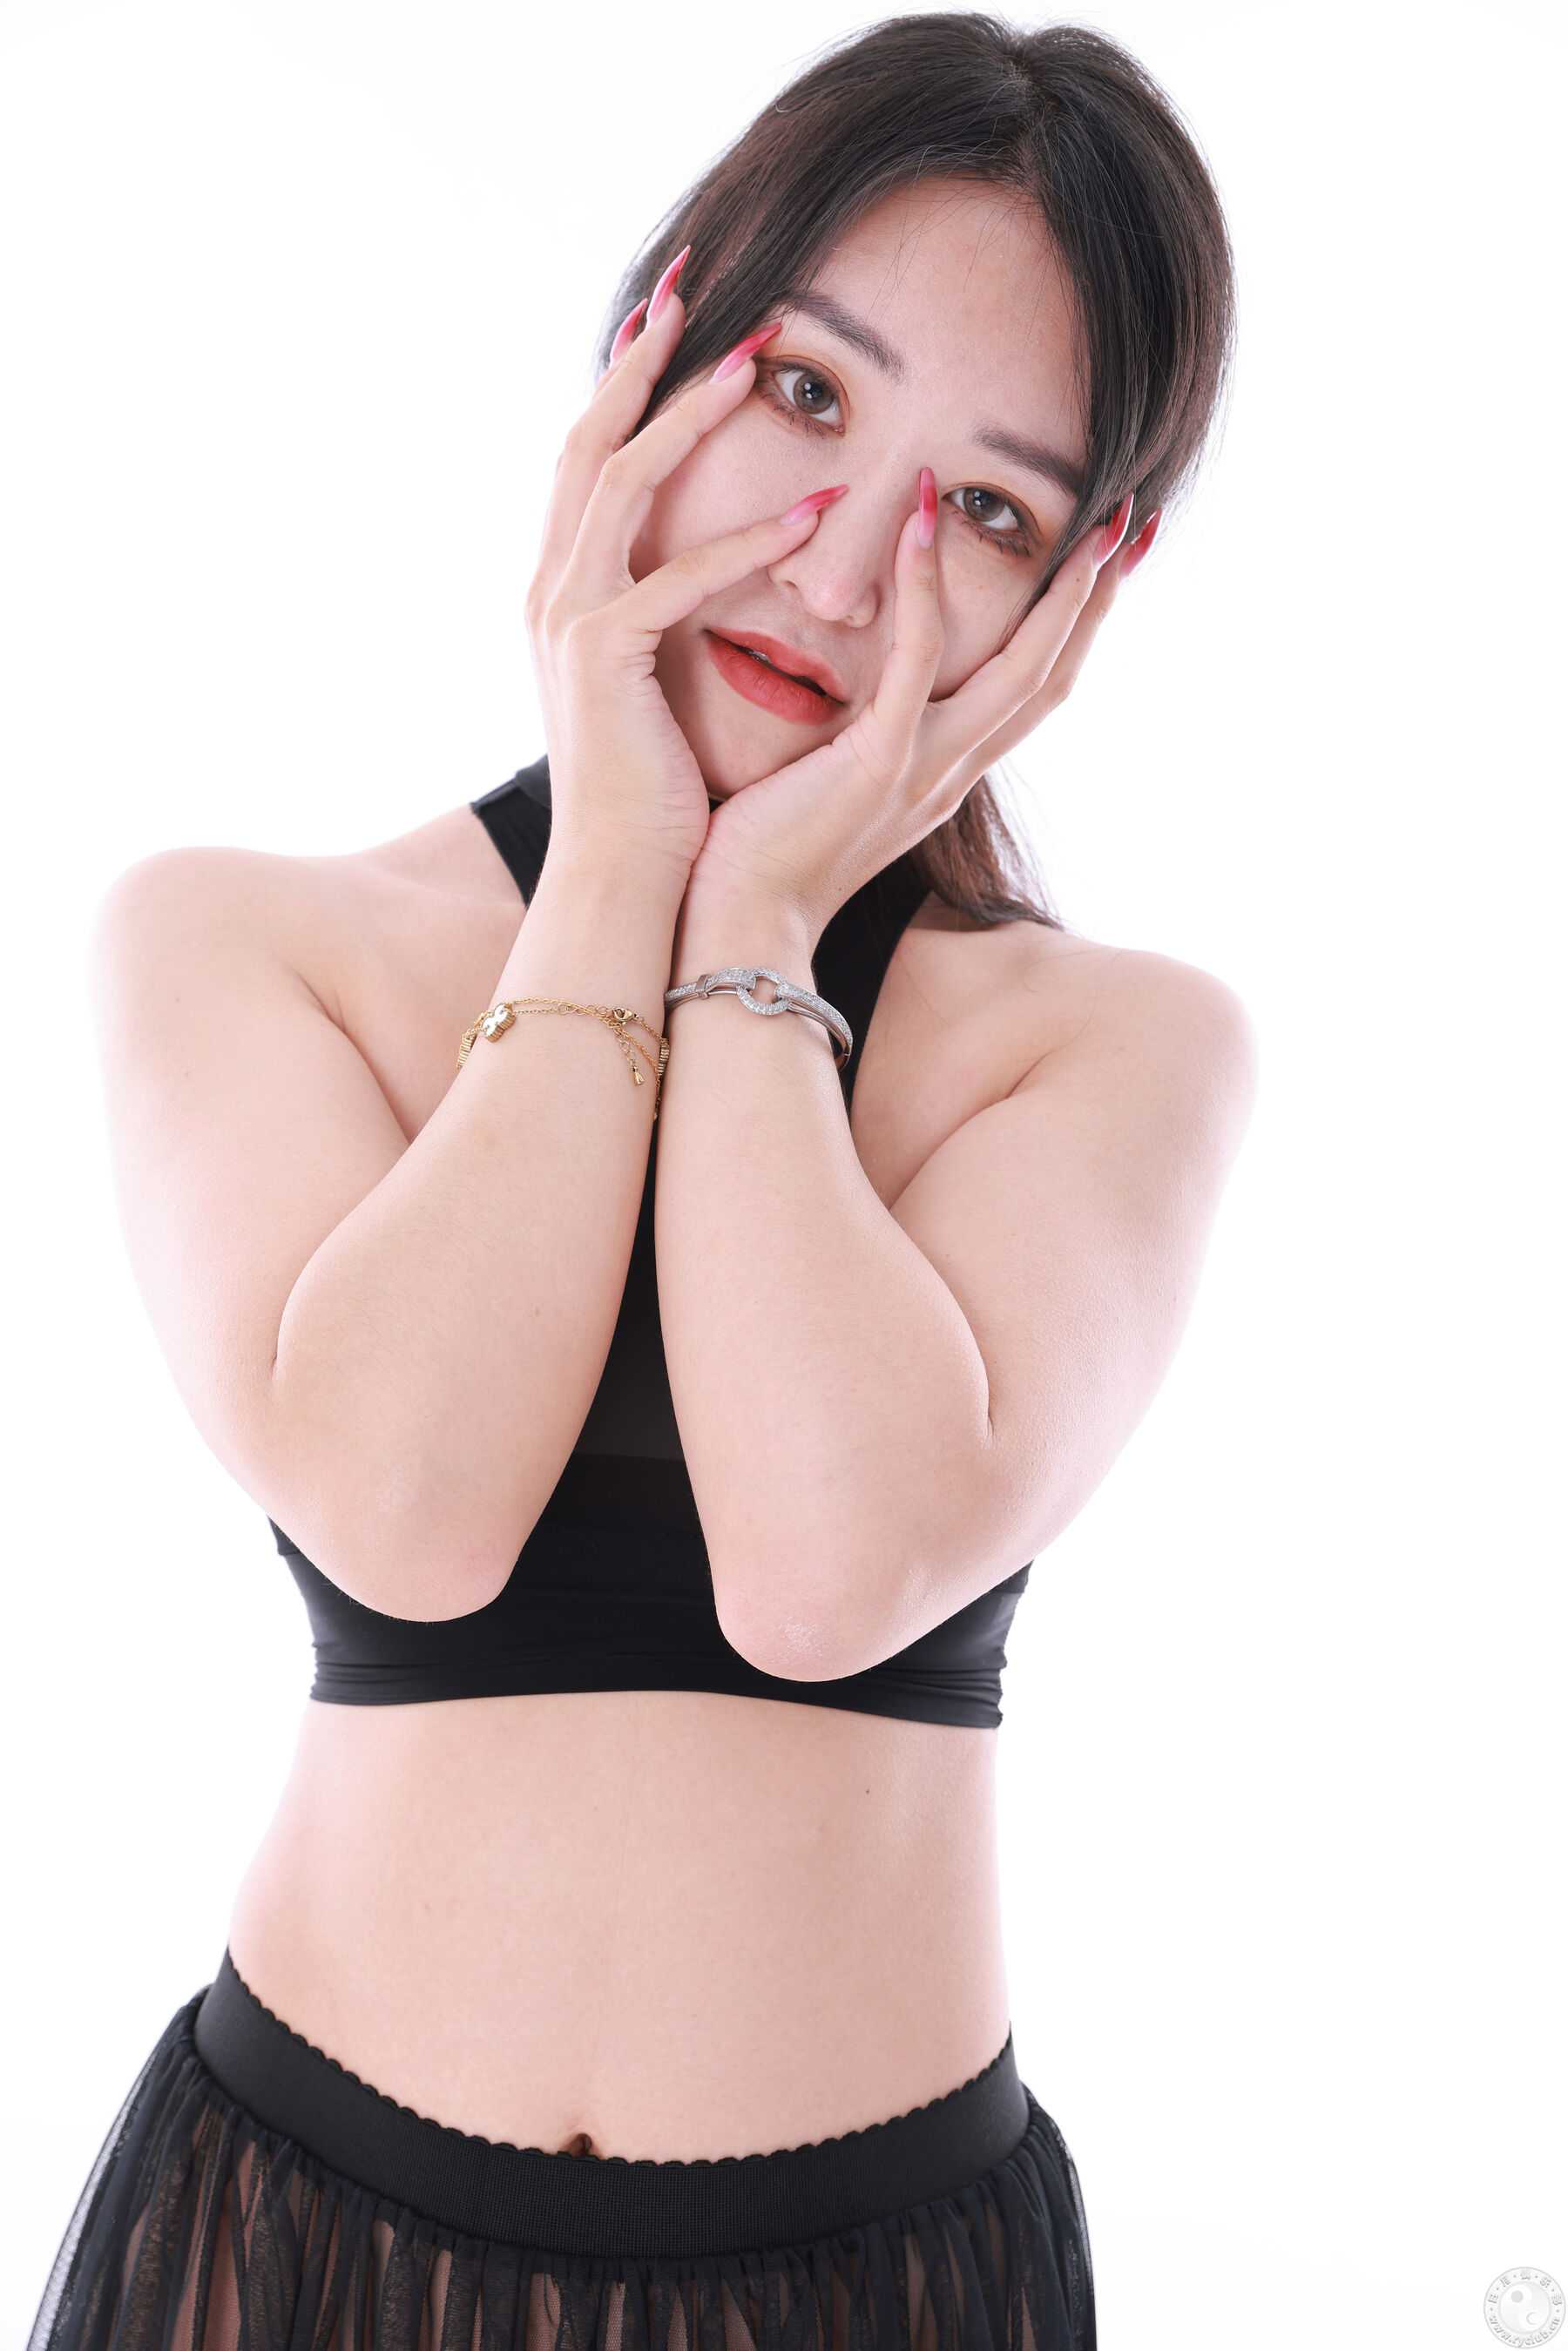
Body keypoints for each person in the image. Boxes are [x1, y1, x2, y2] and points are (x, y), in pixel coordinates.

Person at [27, 16, 1256, 2349]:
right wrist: (614, 870)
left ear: (1076, 600)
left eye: (989, 511)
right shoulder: (248, 942)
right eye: (805, 394)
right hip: (296, 2246)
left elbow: (825, 1573)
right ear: (649, 358)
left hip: (878, 2279)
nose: (844, 568)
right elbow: (408, 1510)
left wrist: (759, 919)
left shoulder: (1108, 1051)